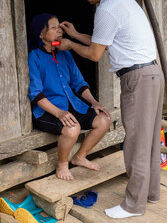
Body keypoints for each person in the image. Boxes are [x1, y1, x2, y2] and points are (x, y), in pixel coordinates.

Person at [59, 0, 164, 219]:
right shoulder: (122, 1)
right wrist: (74, 34)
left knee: (137, 142)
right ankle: (150, 193)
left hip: (138, 79)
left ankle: (133, 206)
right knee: (148, 140)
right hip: (151, 74)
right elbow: (102, 40)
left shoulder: (106, 9)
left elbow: (95, 54)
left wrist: (71, 46)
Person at [27, 13, 111, 181]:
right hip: (48, 111)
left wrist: (94, 102)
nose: (59, 30)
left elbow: (79, 83)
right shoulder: (34, 56)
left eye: (59, 26)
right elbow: (35, 93)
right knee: (72, 129)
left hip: (72, 105)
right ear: (41, 34)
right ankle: (62, 164)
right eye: (53, 27)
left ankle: (80, 157)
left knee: (104, 119)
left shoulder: (65, 54)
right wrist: (59, 113)